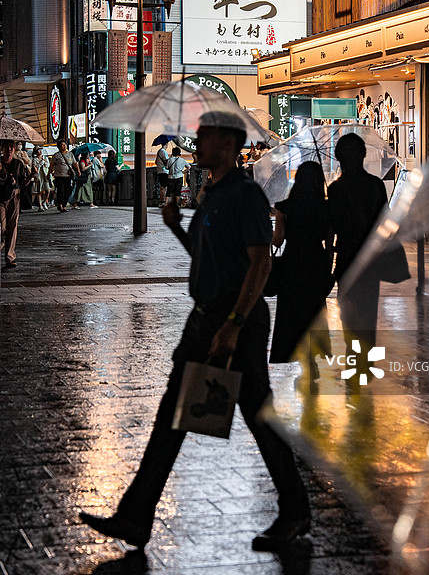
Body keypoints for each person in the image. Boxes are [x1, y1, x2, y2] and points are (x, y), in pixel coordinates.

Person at [80, 111, 310, 551]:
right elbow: (205, 259)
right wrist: (174, 227)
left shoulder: (245, 194)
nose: (196, 141)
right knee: (172, 416)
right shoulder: (212, 193)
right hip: (204, 319)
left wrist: (234, 325)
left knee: (258, 417)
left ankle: (296, 508)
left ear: (229, 143)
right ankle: (135, 516)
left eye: (205, 135)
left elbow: (260, 264)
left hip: (235, 322)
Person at [327, 133, 387, 369]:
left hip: (346, 258)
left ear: (339, 158)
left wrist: (328, 262)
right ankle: (367, 361)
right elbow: (385, 223)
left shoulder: (335, 189)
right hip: (370, 260)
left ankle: (353, 358)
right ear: (363, 155)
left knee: (348, 313)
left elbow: (331, 228)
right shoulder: (376, 186)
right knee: (368, 311)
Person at [270, 161, 333, 380]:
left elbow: (277, 240)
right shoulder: (326, 207)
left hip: (292, 262)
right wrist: (328, 269)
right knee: (313, 312)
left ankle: (301, 356)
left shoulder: (284, 207)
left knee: (293, 313)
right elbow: (329, 244)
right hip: (316, 262)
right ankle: (313, 357)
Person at [0, 139, 36, 268]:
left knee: (13, 226)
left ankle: (10, 257)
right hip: (0, 196)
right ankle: (2, 241)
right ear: (2, 149)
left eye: (12, 147)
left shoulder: (18, 164)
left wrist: (32, 174)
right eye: (7, 147)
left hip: (14, 195)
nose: (9, 149)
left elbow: (23, 183)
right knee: (2, 226)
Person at [51, 139, 80, 213]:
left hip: (68, 175)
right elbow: (52, 165)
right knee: (60, 190)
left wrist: (78, 171)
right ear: (59, 147)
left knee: (67, 191)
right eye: (62, 145)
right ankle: (60, 204)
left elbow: (74, 163)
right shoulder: (56, 155)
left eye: (65, 144)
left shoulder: (70, 154)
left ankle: (64, 205)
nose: (64, 146)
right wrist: (49, 172)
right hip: (59, 176)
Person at [155, 141, 171, 206]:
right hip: (164, 171)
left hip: (159, 171)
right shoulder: (163, 151)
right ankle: (163, 201)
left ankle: (162, 201)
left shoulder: (159, 151)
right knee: (164, 187)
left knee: (162, 187)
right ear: (166, 144)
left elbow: (156, 162)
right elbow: (167, 161)